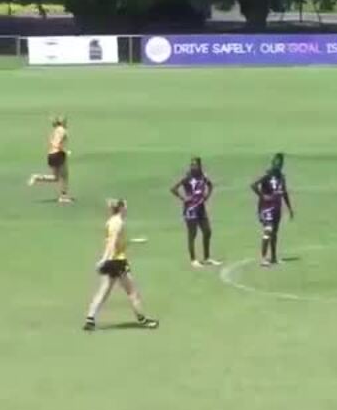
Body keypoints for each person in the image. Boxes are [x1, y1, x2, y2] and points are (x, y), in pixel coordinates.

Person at [84, 199, 158, 331]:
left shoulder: (111, 221)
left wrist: (136, 241)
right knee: (132, 292)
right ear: (122, 208)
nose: (127, 209)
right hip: (117, 261)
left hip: (113, 260)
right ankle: (143, 320)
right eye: (126, 206)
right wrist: (105, 259)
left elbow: (119, 242)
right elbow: (112, 242)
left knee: (104, 290)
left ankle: (90, 319)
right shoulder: (118, 223)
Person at [170, 157, 220, 268]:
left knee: (207, 231)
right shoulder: (187, 177)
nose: (193, 167)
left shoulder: (203, 176)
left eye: (195, 165)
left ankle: (207, 258)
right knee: (192, 234)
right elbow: (173, 189)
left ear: (199, 165)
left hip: (201, 207)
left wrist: (207, 196)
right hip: (190, 209)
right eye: (191, 165)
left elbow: (210, 185)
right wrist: (183, 198)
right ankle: (193, 260)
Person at [251, 153, 294, 266]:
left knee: (274, 233)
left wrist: (289, 208)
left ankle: (274, 258)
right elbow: (254, 185)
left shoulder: (282, 177)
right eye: (277, 162)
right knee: (268, 230)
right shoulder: (267, 175)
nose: (278, 165)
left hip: (276, 208)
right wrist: (262, 195)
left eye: (280, 163)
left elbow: (284, 192)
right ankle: (263, 258)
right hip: (266, 208)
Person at [28, 115, 73, 203]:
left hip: (51, 154)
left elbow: (51, 141)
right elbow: (58, 143)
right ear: (63, 122)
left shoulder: (55, 131)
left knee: (55, 178)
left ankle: (36, 177)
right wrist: (65, 151)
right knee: (65, 176)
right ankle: (63, 197)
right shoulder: (63, 131)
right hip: (58, 154)